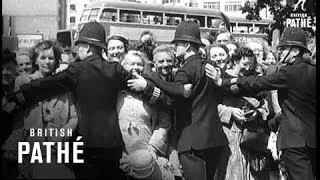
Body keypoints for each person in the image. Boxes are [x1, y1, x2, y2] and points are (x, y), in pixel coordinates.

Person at [4, 21, 170, 179]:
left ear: (88, 47)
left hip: (85, 143)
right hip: (112, 143)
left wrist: (17, 96)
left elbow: (47, 85)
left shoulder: (77, 69)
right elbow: (142, 87)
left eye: (80, 45)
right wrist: (153, 92)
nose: (78, 49)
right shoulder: (115, 68)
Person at [207, 27, 316, 180]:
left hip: (293, 142)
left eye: (284, 48)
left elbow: (258, 82)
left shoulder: (288, 72)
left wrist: (222, 81)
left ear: (296, 51)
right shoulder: (312, 70)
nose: (280, 52)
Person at [144, 21, 228, 180]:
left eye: (178, 44)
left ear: (188, 45)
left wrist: (154, 78)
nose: (175, 48)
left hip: (192, 142)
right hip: (214, 139)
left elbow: (175, 95)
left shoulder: (185, 70)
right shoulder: (209, 66)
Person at [7, 40, 78, 179]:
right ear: (36, 60)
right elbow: (16, 116)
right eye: (43, 57)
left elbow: (74, 117)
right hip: (32, 150)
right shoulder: (24, 82)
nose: (47, 62)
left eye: (51, 58)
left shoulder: (63, 86)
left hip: (58, 150)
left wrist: (63, 134)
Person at [117, 50, 179, 180]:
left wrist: (153, 148)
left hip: (148, 154)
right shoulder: (114, 91)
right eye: (131, 64)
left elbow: (164, 122)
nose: (136, 67)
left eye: (139, 64)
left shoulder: (151, 90)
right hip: (121, 153)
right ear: (122, 66)